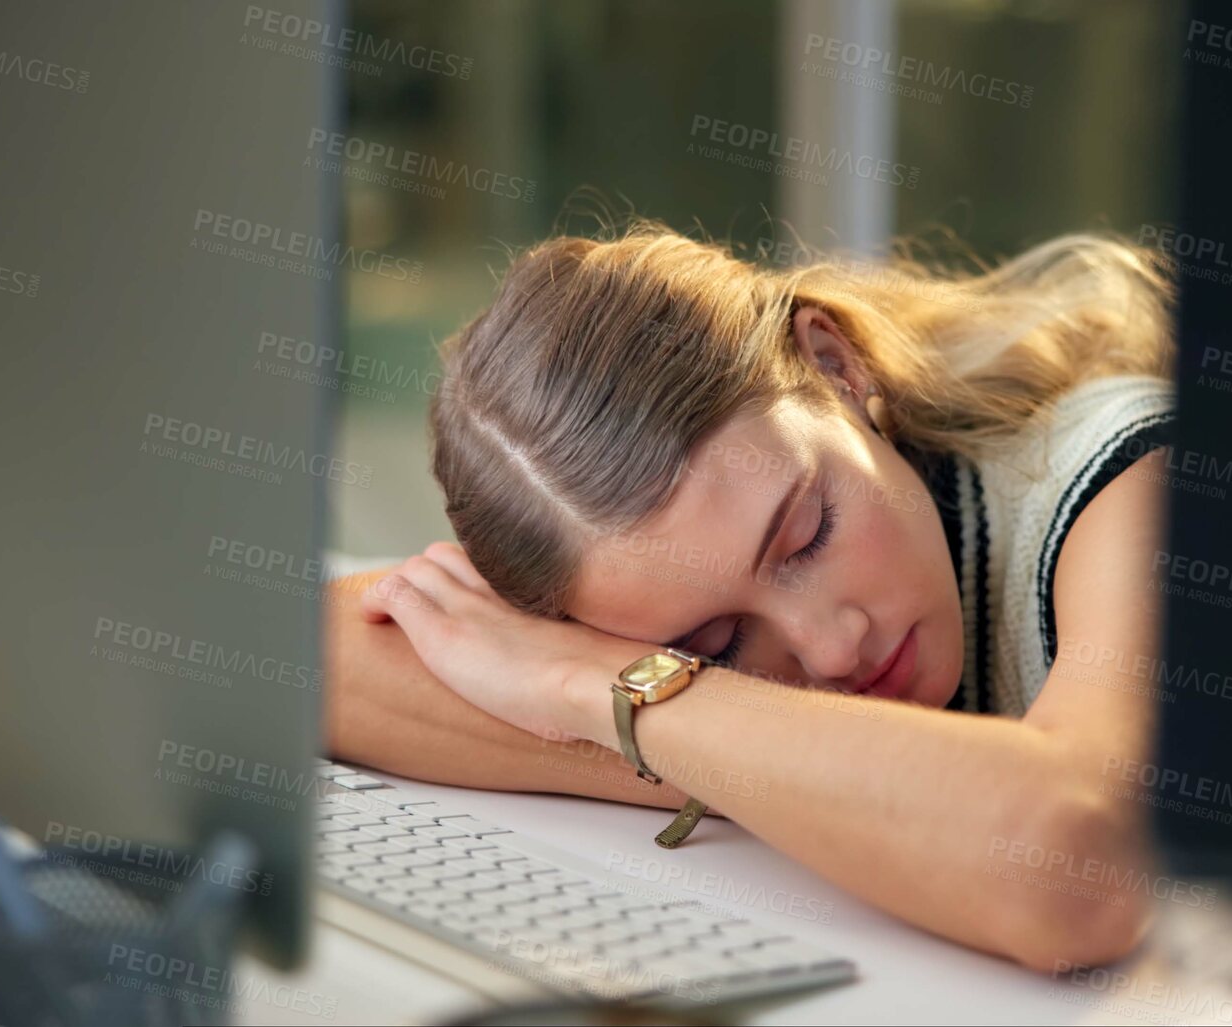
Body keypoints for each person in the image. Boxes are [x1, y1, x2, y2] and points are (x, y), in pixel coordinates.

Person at [325, 221, 1178, 970]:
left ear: (835, 365)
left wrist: (593, 688)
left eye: (808, 533)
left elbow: (1072, 870)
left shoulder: (1127, 479)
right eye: (711, 646)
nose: (831, 648)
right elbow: (317, 652)